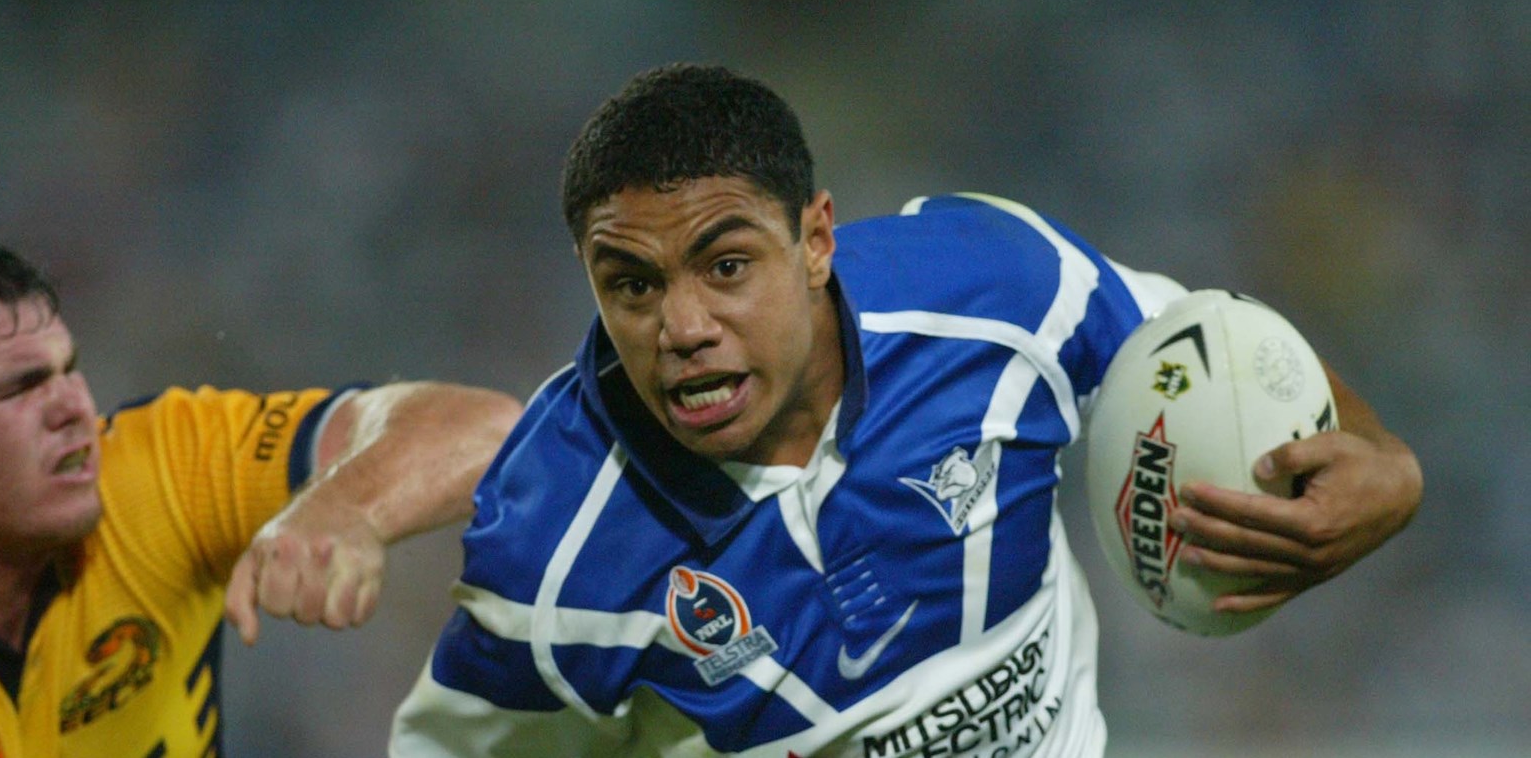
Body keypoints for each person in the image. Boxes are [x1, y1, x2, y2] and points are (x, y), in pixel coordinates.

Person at [386, 64, 1422, 756]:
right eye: (632, 285)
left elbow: (1197, 340)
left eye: (726, 265)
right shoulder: (553, 554)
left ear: (815, 240)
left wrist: (1381, 456)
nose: (683, 327)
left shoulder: (994, 292)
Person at [0, 211, 521, 756]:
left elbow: (489, 429)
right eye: (18, 389)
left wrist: (347, 505)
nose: (75, 407)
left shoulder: (152, 472)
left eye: (69, 368)